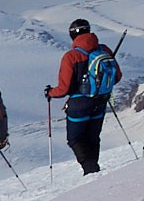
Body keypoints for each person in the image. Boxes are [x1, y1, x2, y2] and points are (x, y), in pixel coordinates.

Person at [45, 19, 116, 174]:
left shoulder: (71, 56)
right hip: (101, 101)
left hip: (79, 104)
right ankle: (93, 169)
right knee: (93, 137)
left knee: (75, 139)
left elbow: (63, 89)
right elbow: (117, 77)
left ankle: (91, 169)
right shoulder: (104, 50)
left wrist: (50, 92)